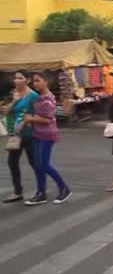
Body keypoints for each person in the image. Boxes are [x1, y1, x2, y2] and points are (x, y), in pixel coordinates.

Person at [22, 72, 71, 205]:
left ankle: (64, 188)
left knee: (44, 164)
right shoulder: (38, 97)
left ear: (46, 82)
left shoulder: (47, 99)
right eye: (34, 81)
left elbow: (48, 119)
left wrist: (30, 119)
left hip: (47, 135)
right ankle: (41, 192)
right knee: (38, 165)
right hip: (37, 134)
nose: (35, 83)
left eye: (38, 81)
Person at [3, 71, 38, 203]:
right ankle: (18, 191)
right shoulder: (15, 94)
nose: (16, 81)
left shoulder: (33, 96)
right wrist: (14, 101)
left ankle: (41, 189)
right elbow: (6, 112)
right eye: (15, 78)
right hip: (15, 135)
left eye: (20, 78)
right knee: (12, 162)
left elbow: (36, 115)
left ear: (27, 80)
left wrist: (24, 122)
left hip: (29, 134)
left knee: (34, 162)